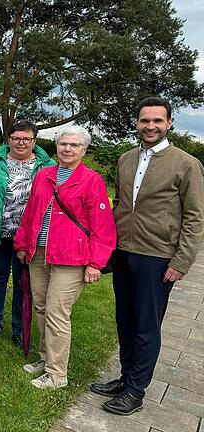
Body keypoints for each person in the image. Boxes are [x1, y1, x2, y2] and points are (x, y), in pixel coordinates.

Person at [91, 97, 204, 415]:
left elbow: (195, 217)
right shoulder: (125, 159)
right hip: (124, 253)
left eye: (157, 121)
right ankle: (126, 378)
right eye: (145, 120)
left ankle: (136, 391)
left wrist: (181, 261)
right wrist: (108, 248)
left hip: (157, 257)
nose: (150, 126)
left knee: (146, 325)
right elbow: (119, 206)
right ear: (137, 123)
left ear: (169, 123)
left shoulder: (186, 164)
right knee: (125, 320)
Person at [14, 125, 116, 389]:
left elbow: (102, 225)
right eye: (63, 144)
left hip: (71, 256)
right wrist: (23, 243)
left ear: (83, 150)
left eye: (74, 145)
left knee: (57, 311)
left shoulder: (91, 180)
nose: (67, 149)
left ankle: (57, 375)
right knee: (41, 307)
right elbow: (31, 213)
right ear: (56, 147)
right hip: (40, 253)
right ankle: (46, 358)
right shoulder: (44, 175)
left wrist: (95, 263)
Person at [0, 120, 55, 346]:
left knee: (24, 283)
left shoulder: (48, 166)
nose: (21, 143)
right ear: (9, 139)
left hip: (29, 236)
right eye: (16, 138)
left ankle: (19, 327)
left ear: (34, 140)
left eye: (27, 139)